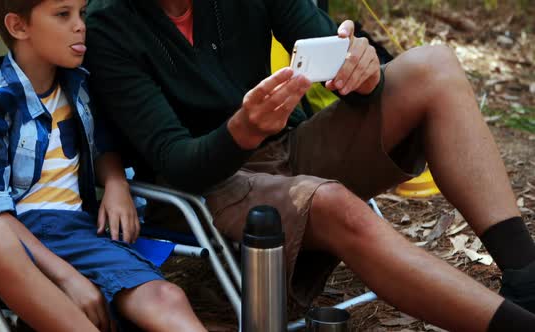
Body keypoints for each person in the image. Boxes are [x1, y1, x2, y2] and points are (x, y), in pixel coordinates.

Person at [84, 0, 535, 330]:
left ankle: (526, 279)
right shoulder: (108, 24)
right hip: (209, 184)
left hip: (288, 142)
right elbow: (176, 161)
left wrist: (364, 67)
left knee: (433, 66)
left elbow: (336, 53)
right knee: (331, 201)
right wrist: (244, 129)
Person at [0, 0, 207, 331]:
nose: (81, 25)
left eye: (82, 13)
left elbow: (104, 144)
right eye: (62, 14)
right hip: (12, 240)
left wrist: (114, 183)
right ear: (18, 27)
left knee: (166, 297)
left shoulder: (80, 85)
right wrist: (69, 278)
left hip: (77, 230)